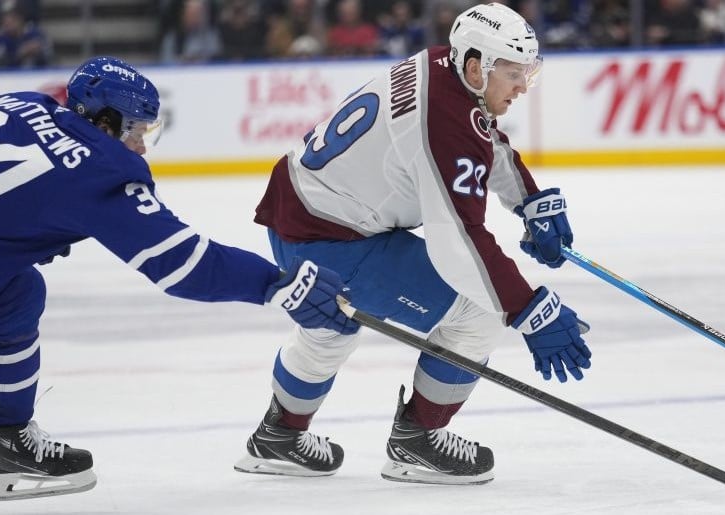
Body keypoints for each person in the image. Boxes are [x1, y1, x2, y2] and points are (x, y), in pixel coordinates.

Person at [0, 56, 358, 500]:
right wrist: (276, 284)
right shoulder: (100, 171)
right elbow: (183, 264)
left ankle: (9, 439)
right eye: (137, 129)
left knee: (15, 292)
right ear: (104, 120)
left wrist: (18, 229)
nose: (140, 145)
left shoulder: (20, 102)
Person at [239, 2, 590, 485]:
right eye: (512, 73)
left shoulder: (442, 64)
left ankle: (280, 435)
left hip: (297, 214)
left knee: (331, 325)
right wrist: (528, 309)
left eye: (528, 71)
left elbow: (481, 134)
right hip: (333, 240)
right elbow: (459, 243)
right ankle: (418, 442)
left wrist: (528, 200)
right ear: (476, 66)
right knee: (478, 313)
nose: (523, 85)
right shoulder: (442, 123)